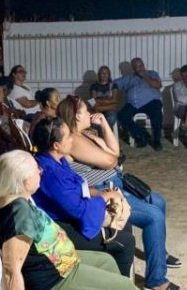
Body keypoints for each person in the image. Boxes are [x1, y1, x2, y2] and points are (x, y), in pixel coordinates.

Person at [57, 95, 184, 290]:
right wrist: (112, 159)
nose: (90, 112)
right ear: (75, 115)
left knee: (158, 201)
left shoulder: (86, 134)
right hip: (103, 189)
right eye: (85, 110)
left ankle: (158, 252)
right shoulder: (73, 140)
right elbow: (110, 161)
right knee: (154, 216)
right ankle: (156, 281)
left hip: (116, 181)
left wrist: (104, 124)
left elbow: (115, 151)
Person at [0, 150, 143, 290]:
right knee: (126, 289)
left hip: (57, 260)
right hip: (51, 278)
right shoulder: (19, 214)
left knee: (107, 261)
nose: (41, 170)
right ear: (25, 182)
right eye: (35, 170)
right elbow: (12, 271)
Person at [31, 117, 136, 278]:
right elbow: (79, 210)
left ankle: (112, 278)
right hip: (60, 228)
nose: (72, 139)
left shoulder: (54, 160)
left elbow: (77, 189)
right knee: (125, 243)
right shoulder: (52, 175)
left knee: (124, 225)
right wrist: (106, 196)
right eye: (67, 136)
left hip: (67, 216)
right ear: (56, 145)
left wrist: (99, 194)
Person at [114, 57, 164, 151]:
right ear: (133, 69)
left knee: (157, 113)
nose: (140, 68)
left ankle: (157, 140)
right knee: (122, 115)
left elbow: (157, 85)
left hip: (151, 102)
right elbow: (114, 84)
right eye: (137, 66)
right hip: (134, 104)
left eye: (141, 65)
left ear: (144, 65)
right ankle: (142, 135)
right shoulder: (129, 78)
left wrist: (145, 76)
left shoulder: (152, 73)